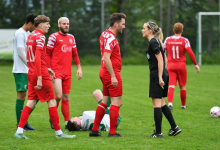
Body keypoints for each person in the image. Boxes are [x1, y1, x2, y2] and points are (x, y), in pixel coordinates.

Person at [14, 15, 75, 139]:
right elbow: (37, 57)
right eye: (47, 24)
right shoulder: (41, 37)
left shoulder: (30, 36)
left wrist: (46, 68)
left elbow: (32, 57)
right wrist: (41, 77)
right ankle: (58, 133)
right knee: (52, 101)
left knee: (30, 102)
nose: (49, 26)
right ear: (40, 25)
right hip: (39, 74)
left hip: (31, 72)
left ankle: (19, 131)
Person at [89, 13, 126, 138]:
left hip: (104, 72)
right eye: (123, 24)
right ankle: (112, 132)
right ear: (116, 24)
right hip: (111, 73)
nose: (124, 27)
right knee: (116, 102)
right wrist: (113, 76)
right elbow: (106, 57)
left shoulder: (104, 34)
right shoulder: (111, 37)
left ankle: (94, 130)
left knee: (105, 101)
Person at [142, 21, 181, 138]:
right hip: (163, 73)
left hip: (157, 74)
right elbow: (165, 59)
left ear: (150, 30)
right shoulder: (156, 41)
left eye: (143, 28)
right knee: (162, 103)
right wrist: (163, 74)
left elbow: (160, 60)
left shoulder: (153, 42)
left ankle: (158, 133)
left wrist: (159, 77)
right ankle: (174, 127)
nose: (142, 30)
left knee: (156, 104)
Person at [46, 17, 82, 128]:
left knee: (66, 97)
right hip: (56, 71)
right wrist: (48, 68)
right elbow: (47, 54)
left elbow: (75, 54)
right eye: (64, 24)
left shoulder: (71, 37)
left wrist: (79, 68)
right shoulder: (53, 37)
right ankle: (53, 118)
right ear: (59, 25)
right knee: (58, 96)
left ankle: (67, 122)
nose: (66, 25)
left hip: (67, 72)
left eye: (68, 24)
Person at [164, 23, 200, 110]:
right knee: (182, 86)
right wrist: (196, 64)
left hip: (171, 66)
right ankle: (183, 105)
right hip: (181, 66)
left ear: (173, 30)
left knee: (171, 86)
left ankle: (170, 104)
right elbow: (190, 53)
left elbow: (163, 51)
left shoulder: (167, 39)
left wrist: (165, 62)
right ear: (182, 31)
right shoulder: (185, 40)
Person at [12, 13, 38, 131]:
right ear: (29, 23)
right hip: (21, 70)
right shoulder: (19, 33)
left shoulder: (26, 34)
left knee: (36, 95)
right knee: (22, 97)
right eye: (35, 25)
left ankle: (23, 120)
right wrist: (30, 65)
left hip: (27, 70)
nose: (35, 28)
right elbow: (20, 51)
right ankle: (20, 123)